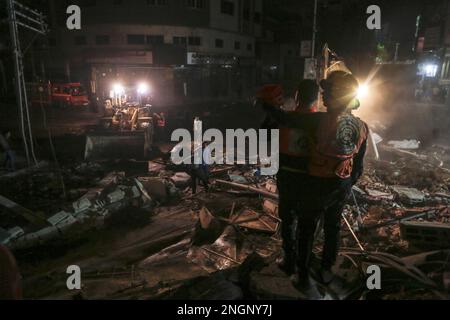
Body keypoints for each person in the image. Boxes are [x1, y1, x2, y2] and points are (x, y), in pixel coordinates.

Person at [261, 71, 368, 289]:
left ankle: (301, 275)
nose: (323, 95)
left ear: (338, 95)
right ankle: (326, 268)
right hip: (342, 184)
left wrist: (265, 103)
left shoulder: (319, 120)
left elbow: (284, 118)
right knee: (332, 226)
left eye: (327, 91)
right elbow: (359, 167)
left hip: (319, 185)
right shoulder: (362, 126)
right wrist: (345, 185)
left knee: (306, 230)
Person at [257, 81, 319, 276]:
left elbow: (264, 133)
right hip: (310, 179)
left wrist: (271, 109)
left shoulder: (287, 119)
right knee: (306, 222)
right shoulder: (322, 121)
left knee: (289, 220)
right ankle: (303, 262)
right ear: (317, 98)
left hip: (288, 177)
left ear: (298, 96)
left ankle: (291, 259)